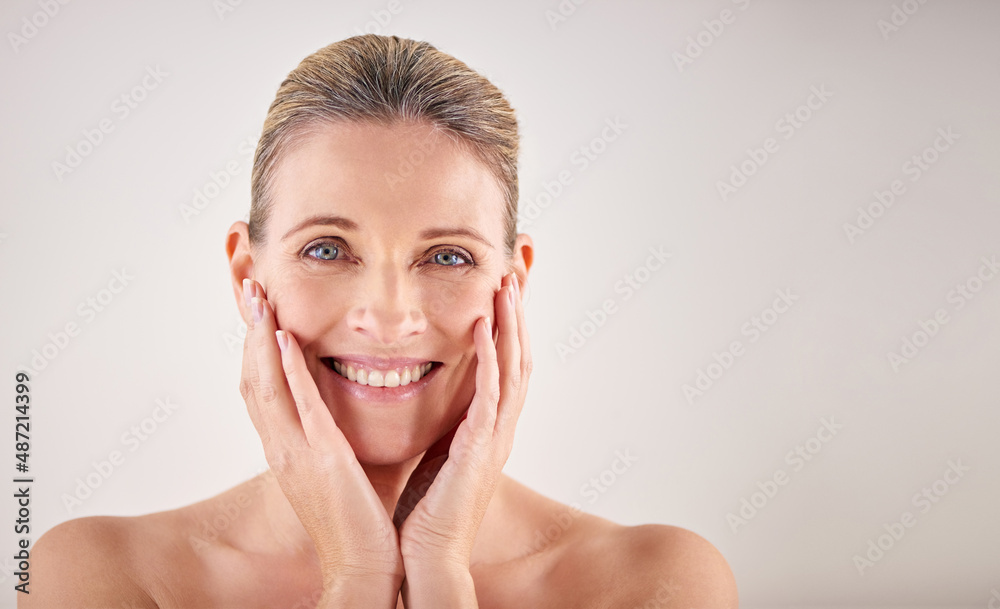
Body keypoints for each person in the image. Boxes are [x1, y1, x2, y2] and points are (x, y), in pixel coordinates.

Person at [24, 34, 737, 608]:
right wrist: (357, 573)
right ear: (248, 275)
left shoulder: (655, 585)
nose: (389, 317)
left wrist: (442, 570)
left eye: (448, 255)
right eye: (328, 249)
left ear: (511, 285)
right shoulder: (98, 579)